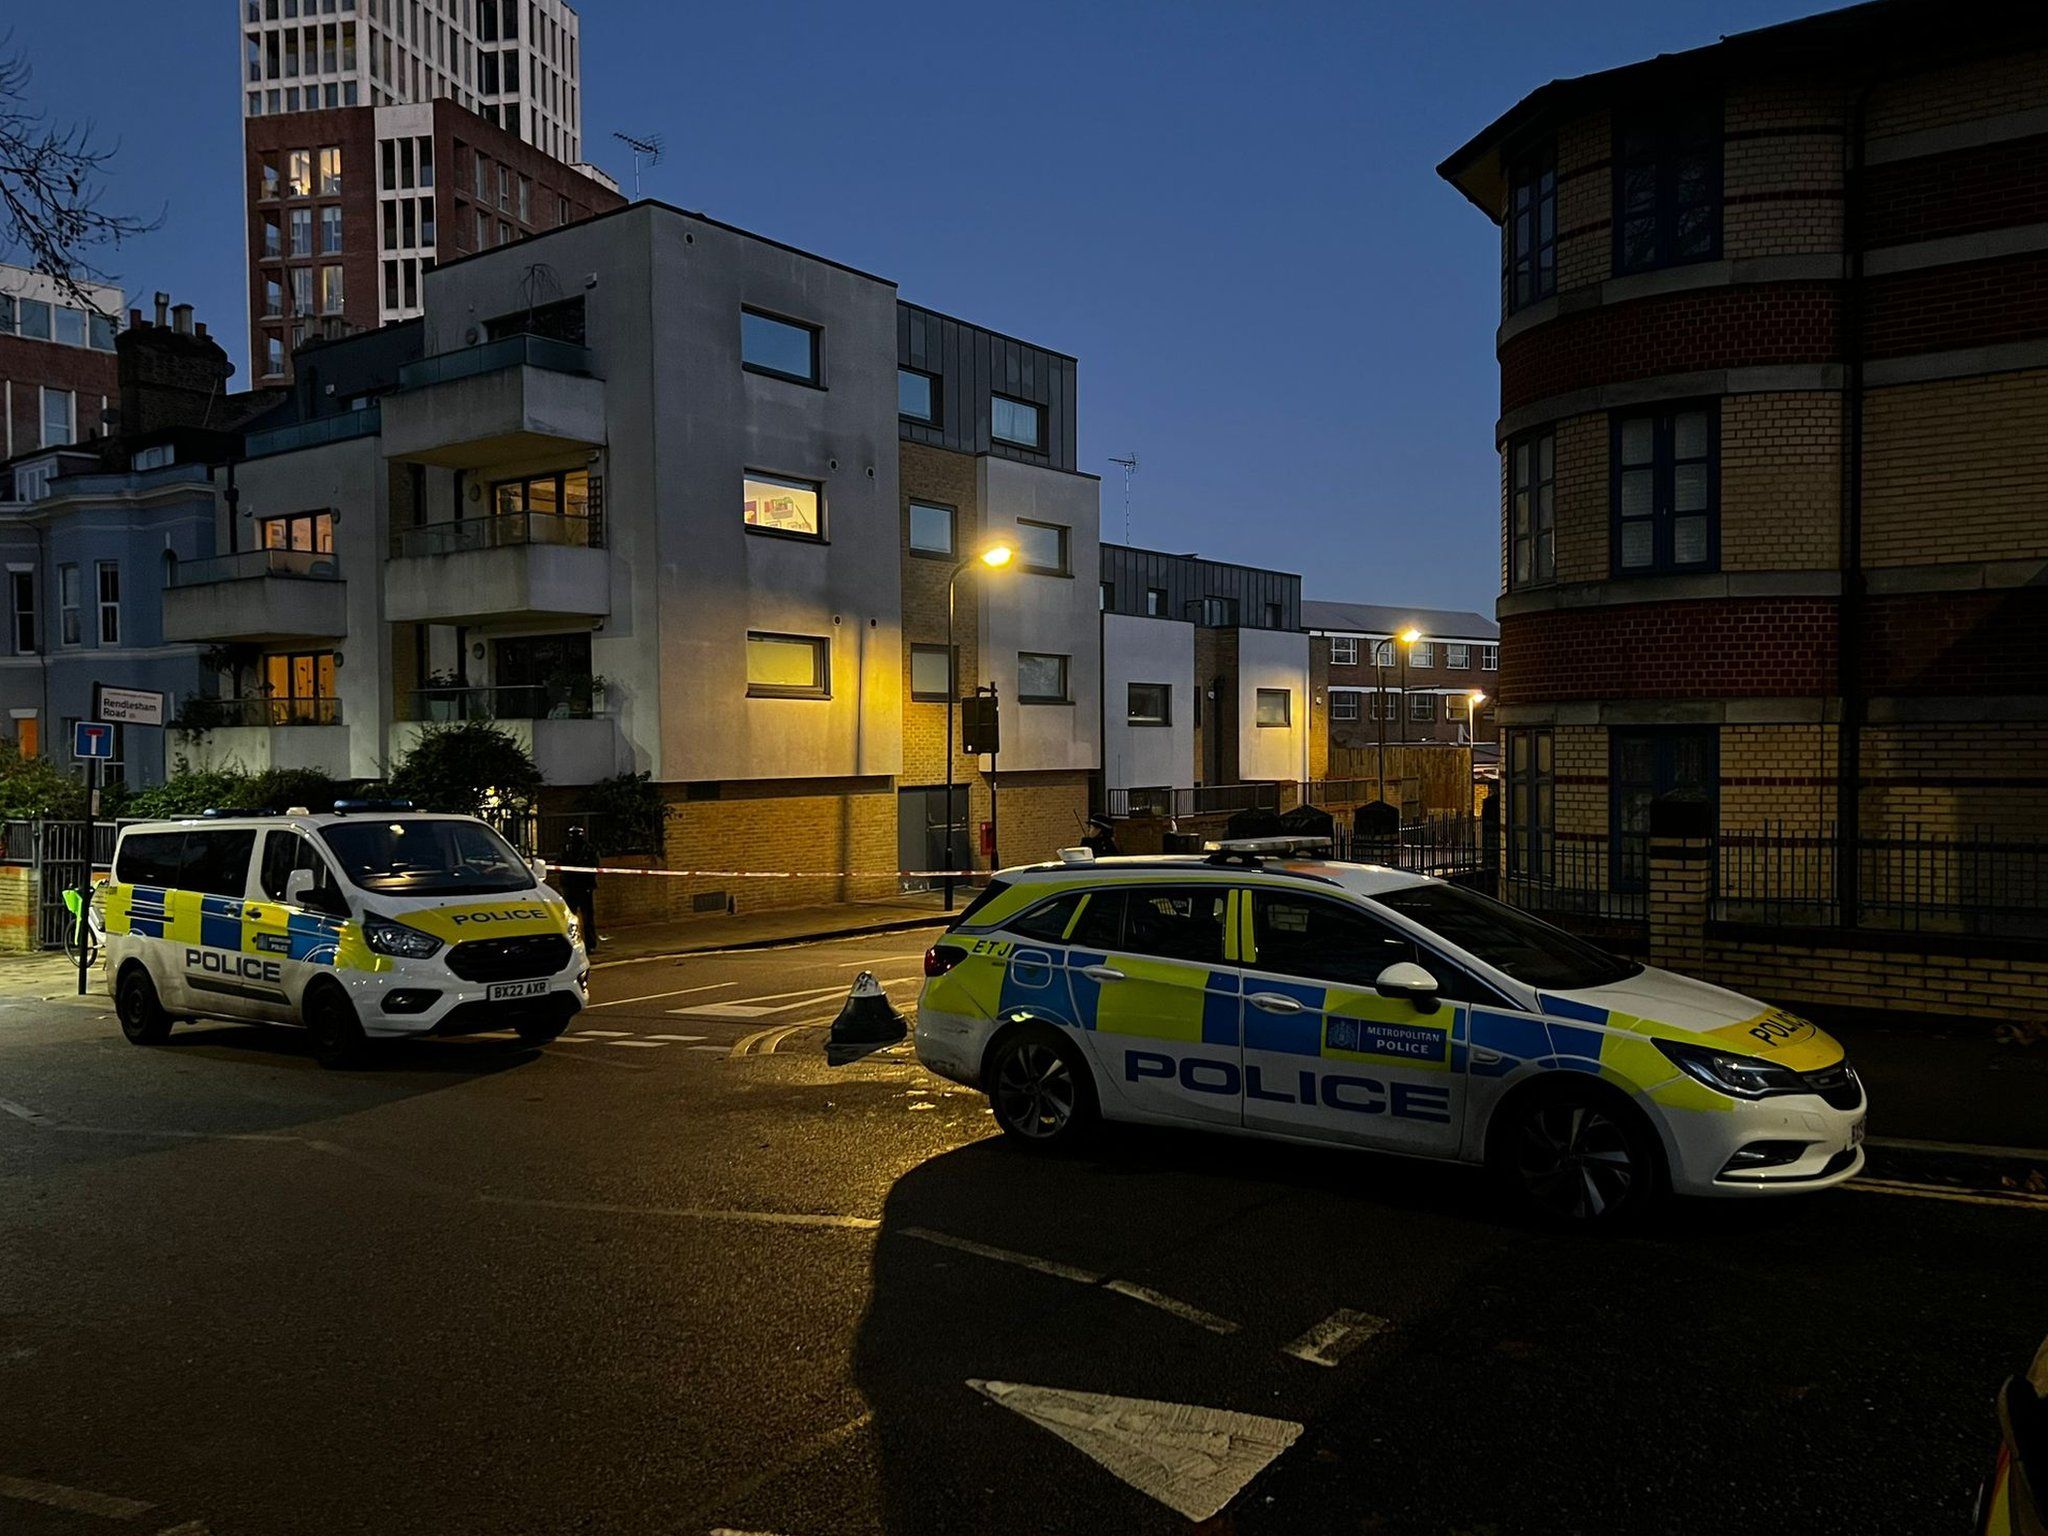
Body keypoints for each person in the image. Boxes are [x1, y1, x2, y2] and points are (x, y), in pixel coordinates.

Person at [559, 826, 600, 951]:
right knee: (570, 917)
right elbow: (559, 864)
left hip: (584, 887)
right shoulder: (566, 849)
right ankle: (570, 942)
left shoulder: (588, 850)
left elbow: (594, 866)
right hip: (570, 887)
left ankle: (590, 944)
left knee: (587, 917)